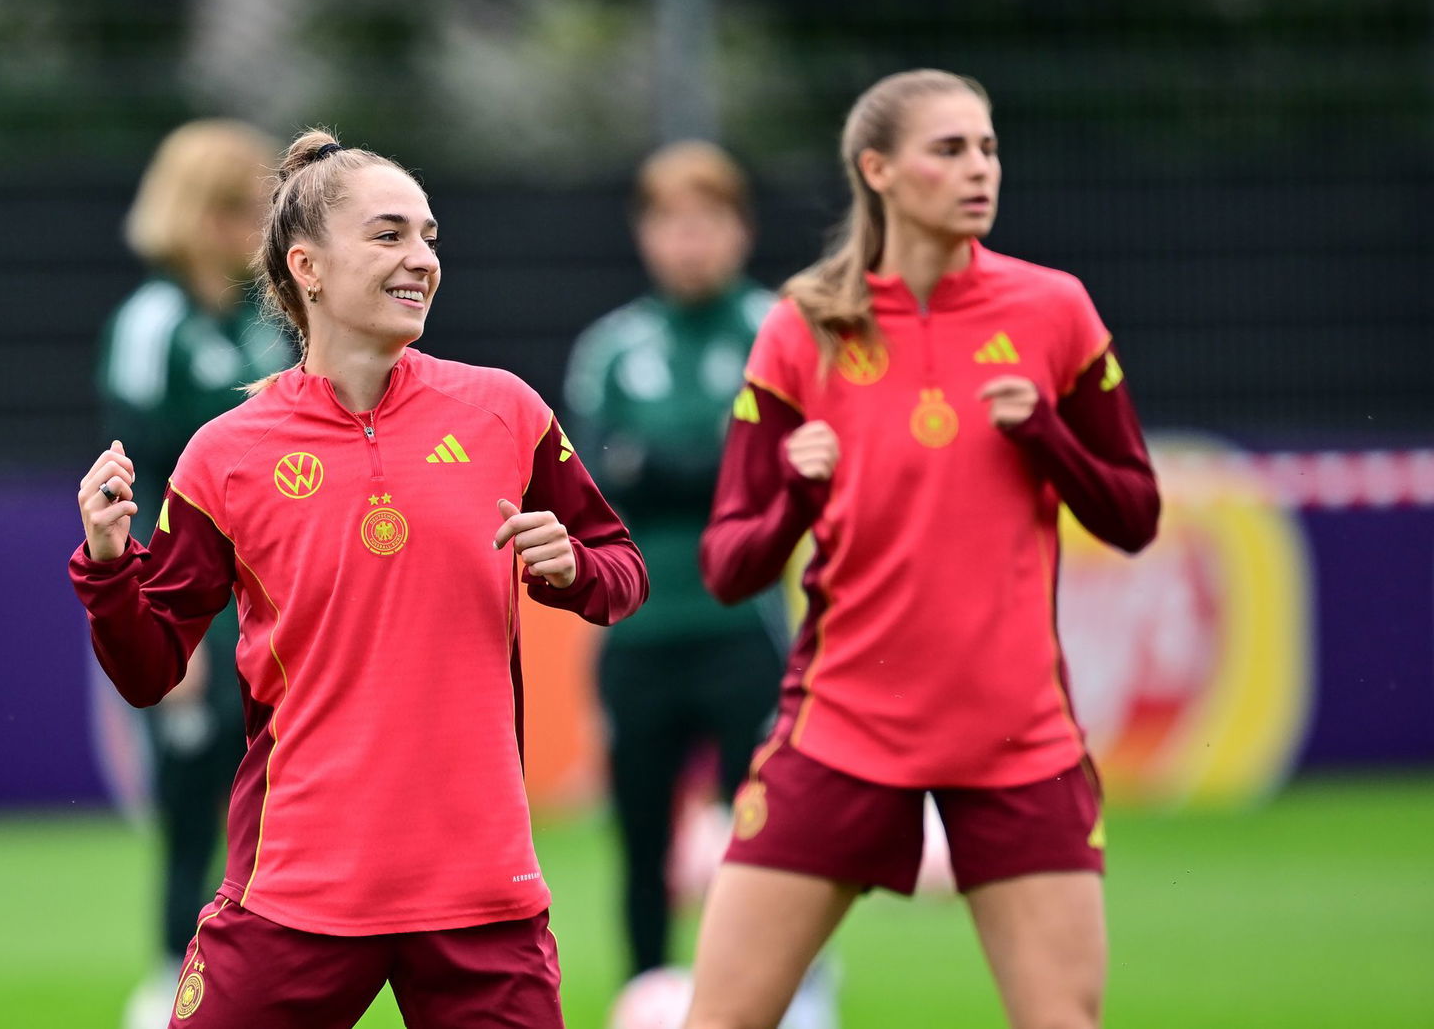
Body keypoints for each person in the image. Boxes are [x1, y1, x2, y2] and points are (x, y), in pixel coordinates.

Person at [71, 130, 648, 1029]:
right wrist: (110, 568)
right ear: (306, 265)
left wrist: (575, 570)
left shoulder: (506, 411)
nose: (420, 259)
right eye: (388, 236)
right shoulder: (226, 455)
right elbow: (148, 669)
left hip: (482, 897)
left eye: (428, 237)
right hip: (294, 895)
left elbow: (622, 570)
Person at [682, 69, 1161, 1029]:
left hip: (1020, 738)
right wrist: (793, 494)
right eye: (949, 149)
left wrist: (1049, 439)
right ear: (879, 171)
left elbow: (1134, 514)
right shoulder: (801, 325)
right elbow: (729, 564)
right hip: (840, 731)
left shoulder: (1055, 310)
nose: (979, 168)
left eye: (987, 147)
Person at [564, 141, 783, 980]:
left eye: (707, 221)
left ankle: (773, 998)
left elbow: (777, 470)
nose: (689, 241)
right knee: (642, 848)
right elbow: (601, 482)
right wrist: (719, 460)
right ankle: (647, 995)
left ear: (740, 229)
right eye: (671, 223)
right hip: (639, 632)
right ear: (645, 234)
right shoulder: (613, 347)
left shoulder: (779, 333)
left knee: (766, 843)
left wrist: (664, 467)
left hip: (745, 627)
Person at [94, 118, 294, 1029]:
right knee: (190, 797)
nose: (255, 224)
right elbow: (133, 475)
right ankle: (169, 976)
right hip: (192, 599)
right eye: (240, 207)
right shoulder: (152, 323)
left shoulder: (266, 323)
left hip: (274, 592)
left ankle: (273, 963)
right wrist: (163, 619)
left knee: (279, 791)